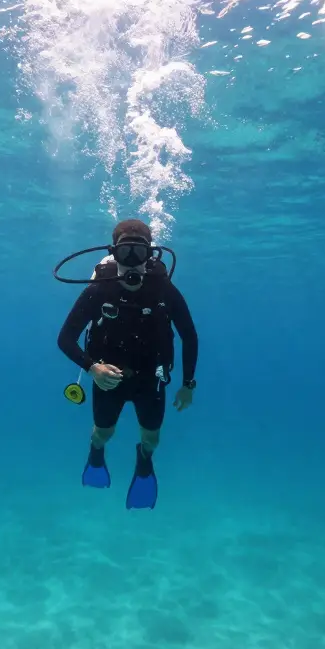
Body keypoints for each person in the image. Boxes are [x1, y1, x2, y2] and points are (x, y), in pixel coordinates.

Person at [55, 218, 199, 510]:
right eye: (125, 254)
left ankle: (144, 461)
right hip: (108, 377)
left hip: (151, 378)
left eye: (140, 254)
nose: (132, 263)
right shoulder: (98, 290)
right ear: (113, 253)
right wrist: (92, 368)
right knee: (103, 432)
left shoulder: (164, 290)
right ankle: (96, 452)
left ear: (150, 256)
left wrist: (188, 385)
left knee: (152, 439)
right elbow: (65, 338)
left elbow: (190, 336)